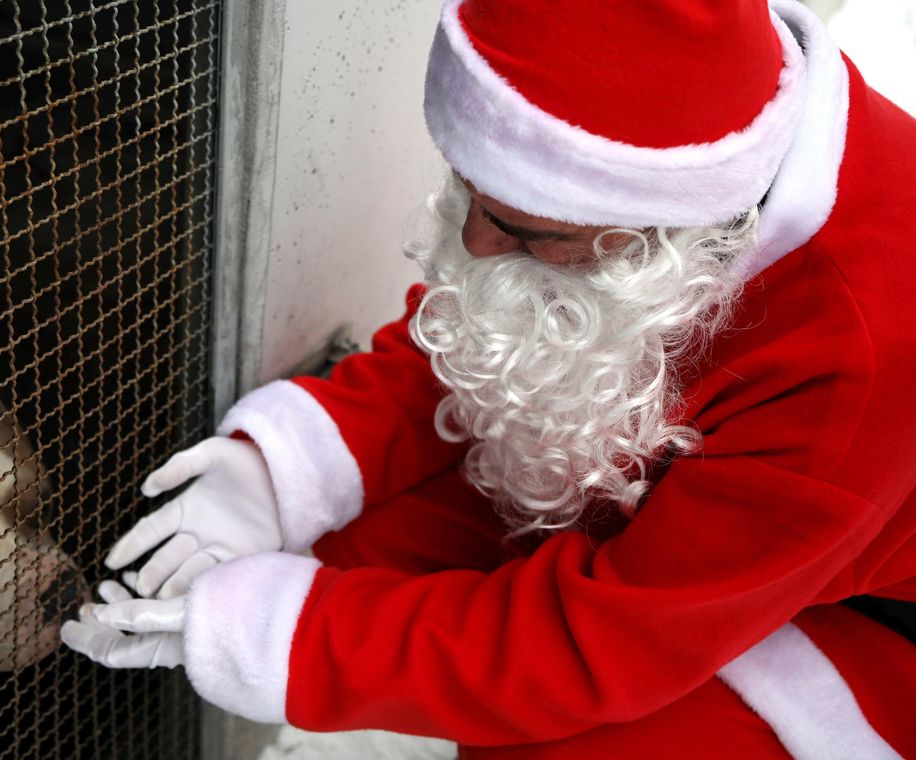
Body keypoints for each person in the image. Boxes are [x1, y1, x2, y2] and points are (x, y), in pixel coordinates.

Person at [62, 0, 916, 756]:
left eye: (518, 225)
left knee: (563, 742)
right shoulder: (700, 142)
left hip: (861, 624)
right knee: (342, 551)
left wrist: (278, 638)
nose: (472, 242)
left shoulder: (858, 356)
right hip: (687, 507)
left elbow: (600, 646)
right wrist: (282, 470)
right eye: (470, 188)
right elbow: (500, 333)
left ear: (660, 225)